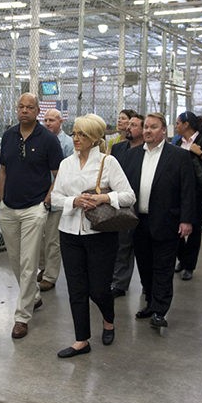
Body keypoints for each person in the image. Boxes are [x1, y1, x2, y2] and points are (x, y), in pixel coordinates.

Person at [51, 114, 135, 358]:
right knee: (76, 288)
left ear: (95, 138)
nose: (76, 138)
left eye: (82, 135)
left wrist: (103, 198)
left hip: (99, 234)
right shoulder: (66, 163)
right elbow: (55, 198)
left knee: (98, 289)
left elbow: (129, 196)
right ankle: (81, 340)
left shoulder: (108, 163)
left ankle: (108, 320)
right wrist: (73, 201)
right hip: (69, 232)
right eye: (75, 133)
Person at [0, 93, 63, 339]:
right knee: (15, 259)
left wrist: (47, 200)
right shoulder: (8, 136)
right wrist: (1, 198)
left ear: (37, 111)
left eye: (30, 107)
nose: (24, 110)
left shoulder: (48, 139)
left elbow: (58, 174)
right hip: (9, 208)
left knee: (28, 263)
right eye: (21, 106)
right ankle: (33, 296)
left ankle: (22, 317)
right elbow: (3, 169)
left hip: (34, 209)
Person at [123, 113, 195, 328]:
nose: (147, 131)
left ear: (164, 130)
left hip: (166, 220)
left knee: (163, 267)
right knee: (145, 266)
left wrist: (186, 220)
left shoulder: (179, 156)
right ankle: (151, 303)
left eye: (153, 127)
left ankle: (160, 311)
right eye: (145, 127)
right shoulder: (133, 155)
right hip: (138, 221)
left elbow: (188, 191)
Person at [174, 111, 202, 281]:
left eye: (178, 123)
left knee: (193, 228)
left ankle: (189, 265)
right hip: (179, 190)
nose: (176, 126)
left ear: (186, 124)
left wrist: (201, 153)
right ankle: (183, 258)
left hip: (198, 191)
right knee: (175, 225)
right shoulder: (178, 142)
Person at [37, 108, 74, 292]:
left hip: (57, 197)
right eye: (45, 119)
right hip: (38, 196)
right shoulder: (41, 140)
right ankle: (43, 268)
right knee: (40, 238)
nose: (48, 123)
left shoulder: (67, 144)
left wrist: (55, 195)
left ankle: (50, 276)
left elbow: (68, 173)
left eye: (52, 120)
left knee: (52, 238)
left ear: (61, 122)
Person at [109, 113, 144, 298]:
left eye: (134, 125)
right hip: (119, 201)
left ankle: (147, 282)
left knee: (141, 246)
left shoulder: (146, 151)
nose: (129, 127)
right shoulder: (117, 149)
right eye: (128, 124)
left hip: (141, 202)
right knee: (121, 244)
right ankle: (119, 282)